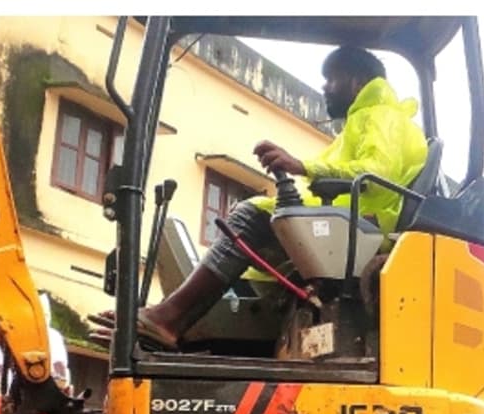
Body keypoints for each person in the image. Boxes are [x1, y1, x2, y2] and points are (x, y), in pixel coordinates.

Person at [89, 45, 428, 348]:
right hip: (345, 227)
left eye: (332, 78)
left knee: (250, 218)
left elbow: (376, 173)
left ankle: (168, 319)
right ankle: (170, 325)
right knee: (257, 226)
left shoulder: (382, 117)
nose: (325, 87)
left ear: (357, 80)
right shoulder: (366, 121)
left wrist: (300, 166)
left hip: (358, 232)